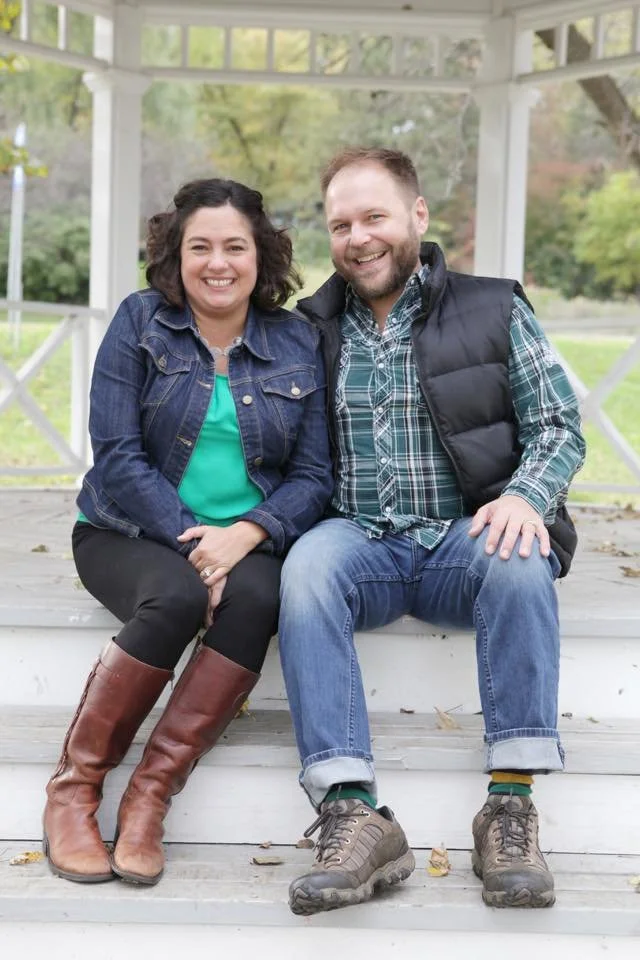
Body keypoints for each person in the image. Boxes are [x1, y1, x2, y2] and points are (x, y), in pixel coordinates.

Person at [277, 147, 586, 916]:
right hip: (359, 540)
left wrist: (524, 497)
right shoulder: (307, 329)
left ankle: (509, 809)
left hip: (463, 536)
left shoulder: (491, 307)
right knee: (307, 570)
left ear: (417, 215)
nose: (358, 237)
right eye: (341, 223)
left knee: (522, 556)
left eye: (374, 216)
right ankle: (354, 813)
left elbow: (559, 424)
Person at [43, 177, 333, 886]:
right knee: (173, 598)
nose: (218, 262)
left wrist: (249, 531)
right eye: (200, 246)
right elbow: (116, 455)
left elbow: (316, 474)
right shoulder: (140, 321)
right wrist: (193, 539)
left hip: (246, 540)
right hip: (126, 530)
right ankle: (75, 790)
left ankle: (149, 798)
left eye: (235, 246)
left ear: (261, 255)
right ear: (176, 255)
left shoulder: (297, 340)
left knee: (261, 598)